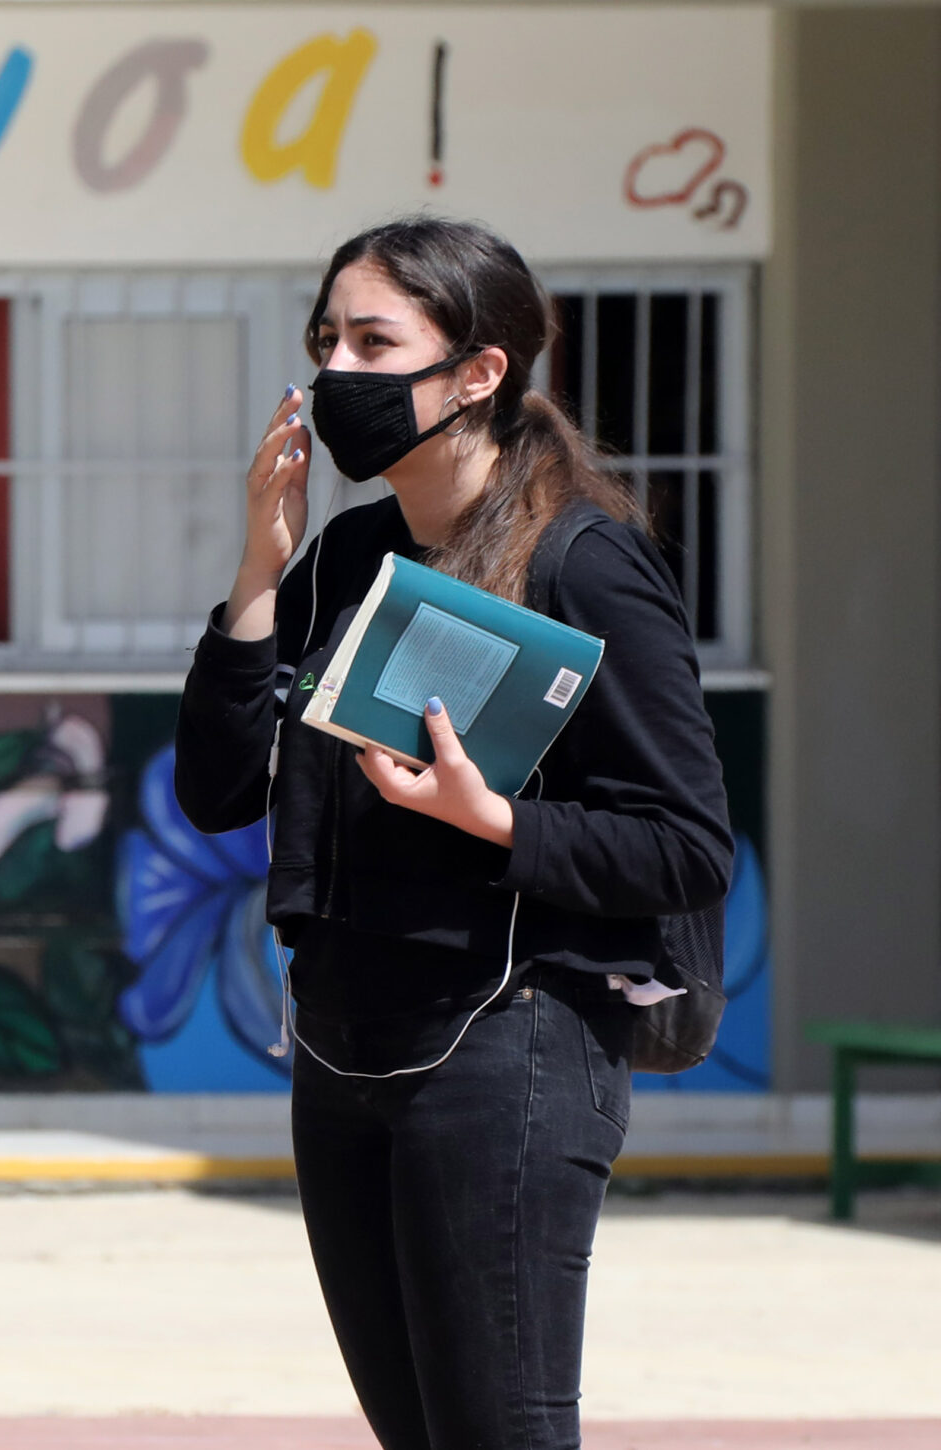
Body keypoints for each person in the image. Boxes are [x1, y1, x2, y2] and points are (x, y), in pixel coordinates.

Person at [174, 216, 732, 1447]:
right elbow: (214, 793)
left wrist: (494, 821)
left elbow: (686, 846)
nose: (335, 371)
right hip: (342, 1050)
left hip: (506, 1050)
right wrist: (257, 577)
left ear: (477, 372)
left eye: (373, 342)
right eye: (325, 339)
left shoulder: (581, 565)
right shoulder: (350, 554)